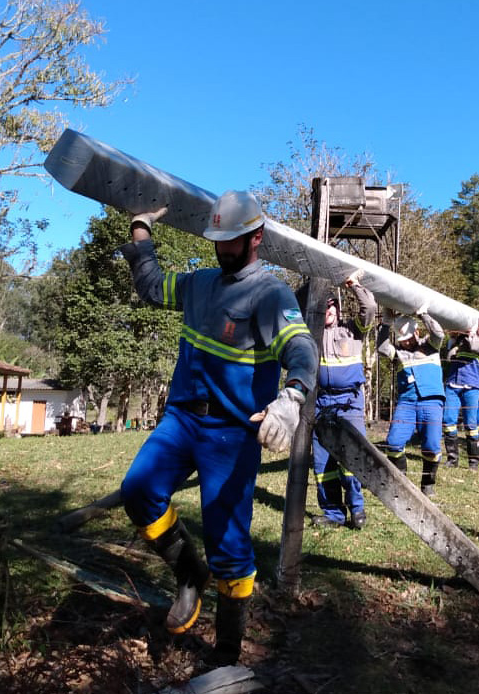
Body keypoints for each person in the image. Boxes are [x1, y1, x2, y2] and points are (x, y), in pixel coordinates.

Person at [117, 191, 318, 665]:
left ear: (256, 239)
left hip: (231, 434)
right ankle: (189, 573)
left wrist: (291, 400)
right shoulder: (200, 283)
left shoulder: (271, 294)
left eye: (234, 243)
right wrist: (141, 228)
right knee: (138, 492)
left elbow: (301, 347)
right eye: (218, 242)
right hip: (182, 418)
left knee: (228, 544)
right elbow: (151, 286)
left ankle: (226, 652)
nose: (224, 251)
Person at [309, 274, 377, 529]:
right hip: (321, 404)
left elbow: (369, 308)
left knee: (352, 459)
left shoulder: (353, 330)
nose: (326, 311)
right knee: (322, 464)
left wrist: (354, 285)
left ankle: (357, 509)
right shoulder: (311, 335)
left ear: (336, 308)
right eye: (321, 307)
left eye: (330, 306)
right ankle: (333, 514)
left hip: (349, 403)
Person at [377, 305, 446, 497]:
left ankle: (428, 483)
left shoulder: (431, 346)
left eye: (408, 339)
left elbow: (438, 333)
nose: (405, 343)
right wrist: (386, 323)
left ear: (417, 332)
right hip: (407, 403)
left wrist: (423, 314)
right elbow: (382, 347)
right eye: (402, 340)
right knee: (393, 443)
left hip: (431, 402)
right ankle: (401, 481)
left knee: (431, 446)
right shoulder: (398, 353)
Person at [442, 312, 479, 469]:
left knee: (471, 424)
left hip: (471, 386)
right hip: (453, 383)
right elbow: (449, 356)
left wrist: (470, 333)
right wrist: (453, 338)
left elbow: (475, 346)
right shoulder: (461, 338)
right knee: (448, 421)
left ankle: (473, 460)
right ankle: (452, 459)